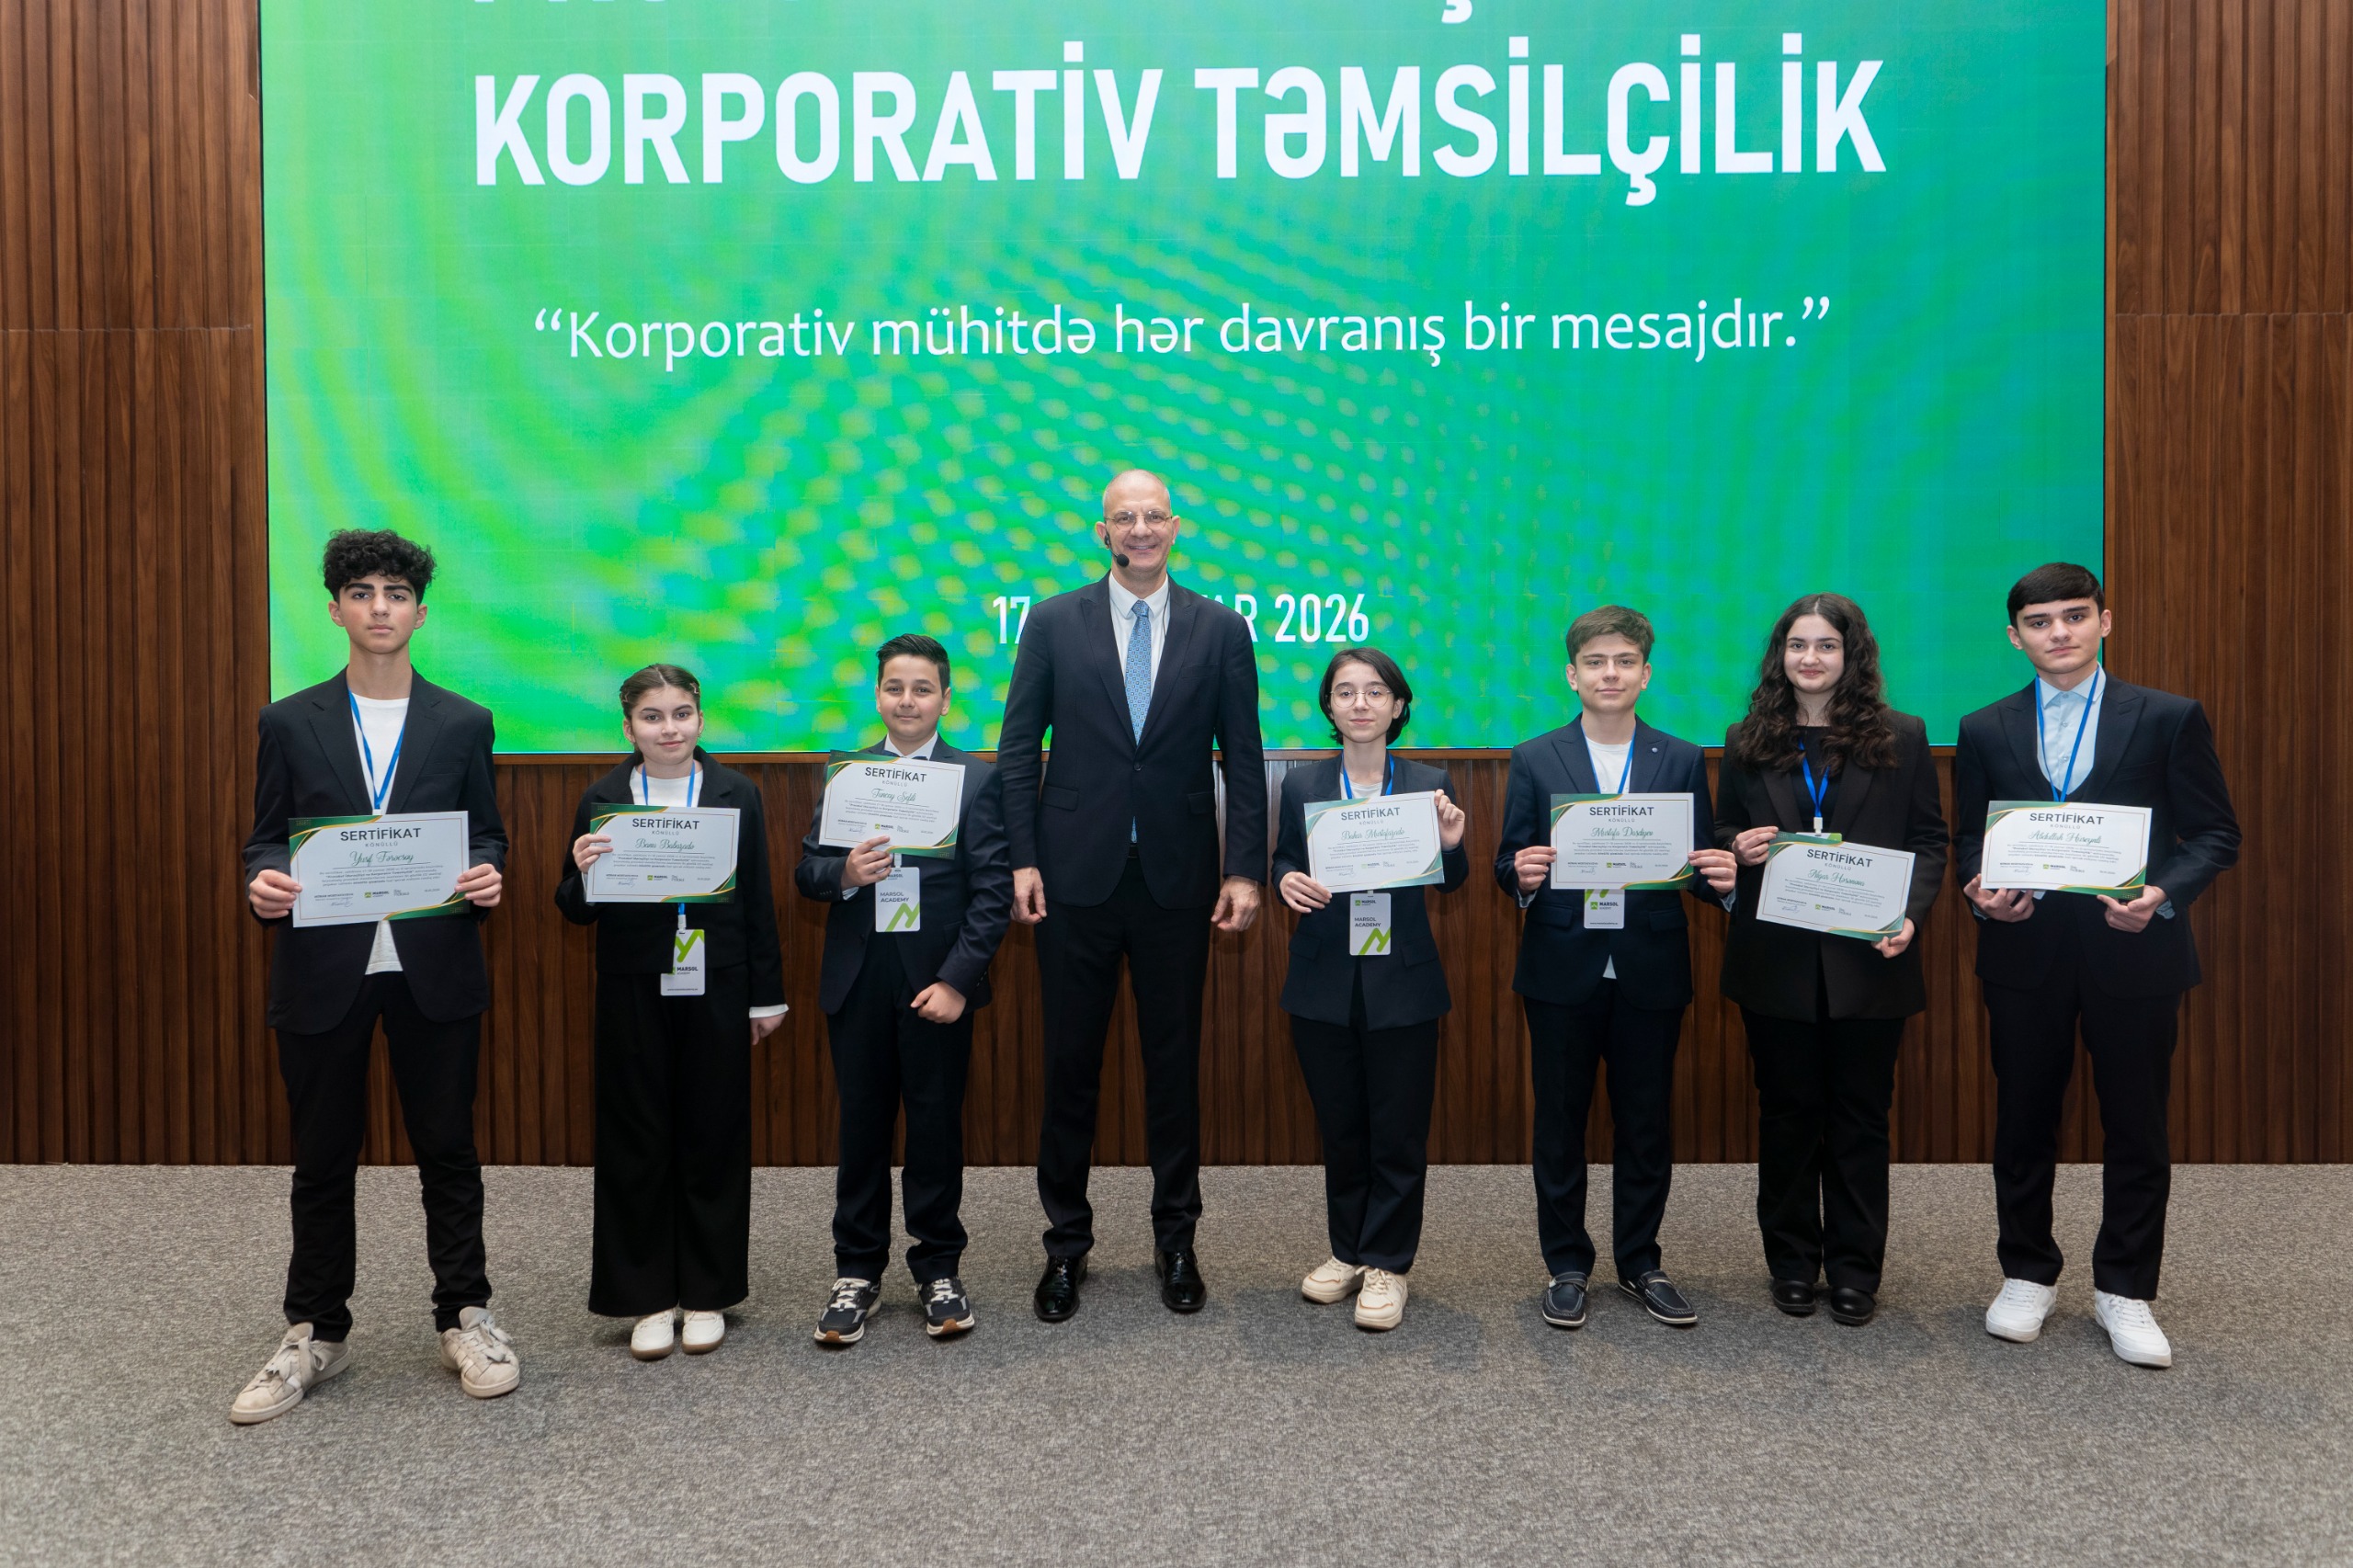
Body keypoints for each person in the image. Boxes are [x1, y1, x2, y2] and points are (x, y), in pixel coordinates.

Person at [232, 528, 517, 1424]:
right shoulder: (289, 721)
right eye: (362, 592)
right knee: (322, 1156)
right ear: (335, 610)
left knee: (448, 1147)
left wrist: (488, 871)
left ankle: (465, 1314)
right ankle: (314, 1330)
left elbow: (486, 831)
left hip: (434, 964)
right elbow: (266, 838)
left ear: (420, 613)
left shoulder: (464, 721)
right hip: (325, 964)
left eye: (396, 592)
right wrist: (263, 882)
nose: (380, 607)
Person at [996, 468, 1267, 1322]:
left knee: (1173, 1068)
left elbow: (1244, 756)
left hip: (1179, 883)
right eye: (1125, 518)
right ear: (1102, 532)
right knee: (1069, 1067)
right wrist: (1021, 859)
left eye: (1154, 517)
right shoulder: (1052, 622)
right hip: (1072, 878)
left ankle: (1176, 1239)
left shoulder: (1222, 629)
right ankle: (1065, 1246)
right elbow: (1017, 750)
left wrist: (1244, 868)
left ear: (1175, 528)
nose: (1140, 530)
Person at [1956, 563, 2239, 1369]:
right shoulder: (1984, 727)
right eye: (2040, 622)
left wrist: (2162, 894)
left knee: (2137, 1124)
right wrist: (1982, 893)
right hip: (2024, 953)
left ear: (2105, 622)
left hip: (2136, 949)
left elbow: (2215, 834)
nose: (2060, 632)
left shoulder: (2168, 717)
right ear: (2015, 637)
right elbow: (1972, 838)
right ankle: (2026, 1273)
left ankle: (2126, 1287)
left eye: (2075, 616)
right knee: (2023, 1119)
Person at [1495, 607, 1736, 1332]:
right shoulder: (1536, 757)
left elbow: (1693, 865)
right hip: (1560, 966)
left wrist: (1722, 882)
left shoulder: (1680, 756)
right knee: (1559, 1125)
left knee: (1645, 1123)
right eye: (1595, 662)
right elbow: (1508, 860)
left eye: (1625, 661)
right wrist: (1521, 876)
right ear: (1572, 675)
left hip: (1650, 966)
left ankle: (1640, 1261)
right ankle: (1567, 1265)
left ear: (1645, 674)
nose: (1610, 673)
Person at [1714, 593, 1947, 1328]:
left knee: (1860, 1119)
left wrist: (1911, 914)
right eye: (1796, 645)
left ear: (1852, 655)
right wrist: (1735, 846)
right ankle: (1791, 1262)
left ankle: (1854, 1268)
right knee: (1786, 1116)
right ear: (1779, 656)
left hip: (1869, 961)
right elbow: (1722, 829)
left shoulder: (1902, 736)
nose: (1809, 658)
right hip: (1776, 963)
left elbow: (1929, 839)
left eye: (1825, 645)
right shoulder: (1747, 738)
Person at [557, 665, 787, 1360]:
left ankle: (709, 1292)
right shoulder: (602, 797)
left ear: (701, 720)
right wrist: (583, 871)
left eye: (681, 713)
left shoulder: (736, 793)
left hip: (718, 980)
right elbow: (572, 908)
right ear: (629, 728)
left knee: (714, 1130)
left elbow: (758, 900)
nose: (669, 728)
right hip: (633, 982)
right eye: (652, 717)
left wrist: (766, 994)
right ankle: (647, 1296)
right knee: (636, 1134)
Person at [795, 634, 1012, 1345]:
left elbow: (992, 894)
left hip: (936, 986)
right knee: (860, 1129)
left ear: (945, 699)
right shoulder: (848, 774)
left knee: (935, 1127)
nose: (908, 700)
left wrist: (957, 981)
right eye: (895, 687)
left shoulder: (974, 779)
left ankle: (939, 1267)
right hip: (858, 979)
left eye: (923, 689)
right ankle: (856, 1270)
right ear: (878, 696)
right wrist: (844, 874)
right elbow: (808, 872)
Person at [1271, 648, 1470, 1332]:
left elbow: (1451, 880)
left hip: (1403, 980)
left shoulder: (1428, 782)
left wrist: (1451, 842)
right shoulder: (1302, 784)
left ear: (1397, 705)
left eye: (1376, 691)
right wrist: (1284, 879)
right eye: (1346, 692)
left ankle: (1388, 1262)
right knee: (1341, 1126)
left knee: (1399, 1128)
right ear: (1329, 706)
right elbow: (1286, 859)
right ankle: (1349, 1250)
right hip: (1322, 979)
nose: (1361, 703)